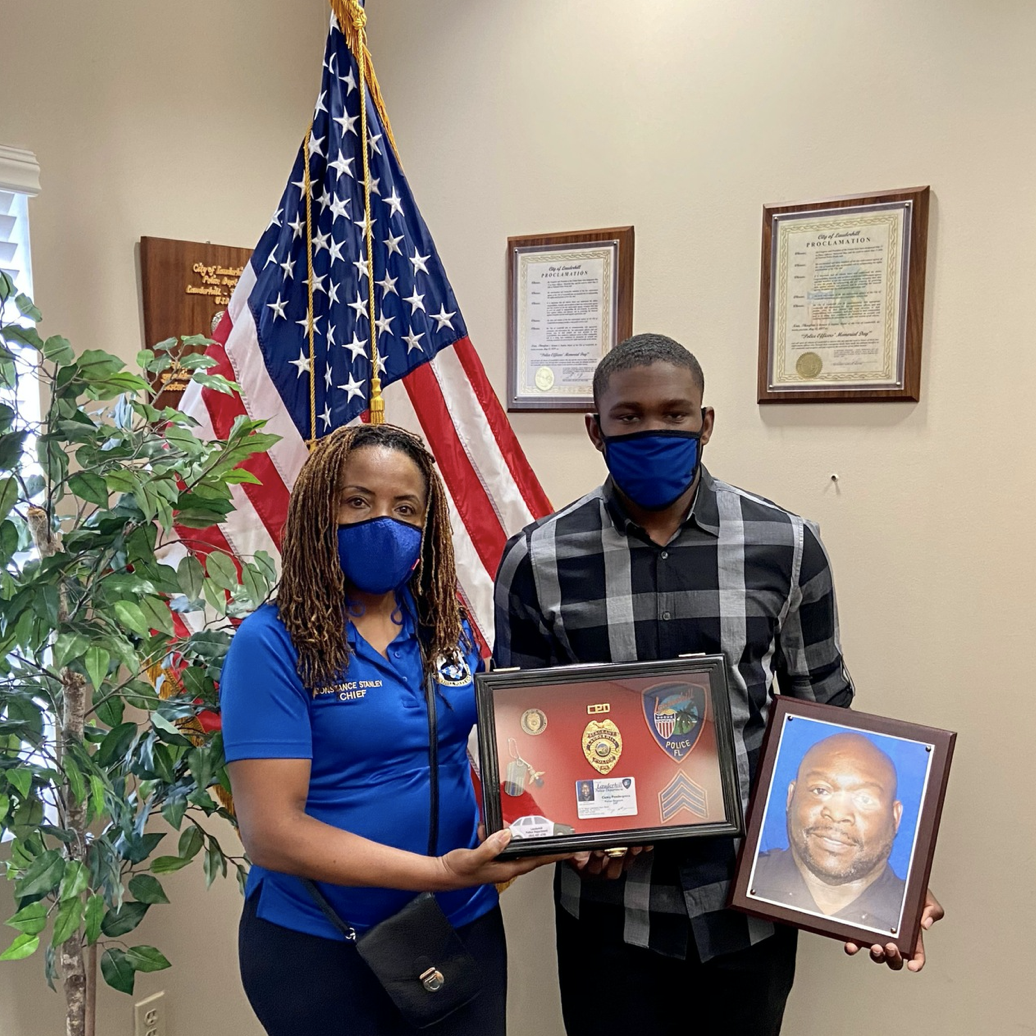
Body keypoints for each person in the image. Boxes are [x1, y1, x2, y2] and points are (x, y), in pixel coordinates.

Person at [493, 334, 943, 1036]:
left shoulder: (787, 545)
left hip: (749, 910)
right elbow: (522, 742)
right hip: (612, 916)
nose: (653, 431)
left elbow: (823, 719)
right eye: (630, 417)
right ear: (595, 428)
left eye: (675, 415)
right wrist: (563, 835)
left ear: (706, 423)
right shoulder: (537, 559)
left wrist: (885, 885)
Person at [221, 423, 575, 1036]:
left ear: (427, 527)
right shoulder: (271, 643)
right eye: (357, 501)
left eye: (405, 508)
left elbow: (506, 748)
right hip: (324, 941)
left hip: (460, 923)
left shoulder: (446, 625)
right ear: (317, 512)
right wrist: (440, 871)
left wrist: (579, 816)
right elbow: (272, 834)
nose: (383, 522)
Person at [752, 733, 906, 932]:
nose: (837, 813)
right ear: (791, 796)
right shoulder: (749, 878)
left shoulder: (907, 914)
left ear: (895, 817)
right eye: (820, 790)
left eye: (865, 799)